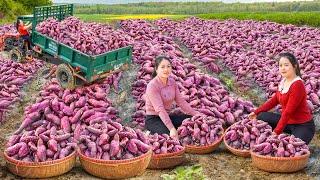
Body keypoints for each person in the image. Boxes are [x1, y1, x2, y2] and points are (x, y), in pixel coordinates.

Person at [248, 52, 315, 144]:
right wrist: (256, 112)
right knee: (261, 116)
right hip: (288, 122)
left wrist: (276, 131)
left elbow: (288, 112)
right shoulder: (284, 82)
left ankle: (287, 136)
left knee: (295, 146)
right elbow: (273, 101)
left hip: (303, 125)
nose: (283, 68)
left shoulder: (297, 85)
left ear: (294, 66)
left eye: (286, 65)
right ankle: (267, 136)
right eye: (280, 65)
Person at [145, 56, 200, 138]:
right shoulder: (152, 86)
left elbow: (181, 102)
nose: (166, 69)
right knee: (171, 137)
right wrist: (171, 129)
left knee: (191, 120)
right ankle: (150, 135)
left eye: (168, 66)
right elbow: (160, 109)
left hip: (167, 116)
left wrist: (196, 114)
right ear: (156, 69)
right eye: (162, 67)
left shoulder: (172, 82)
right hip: (153, 119)